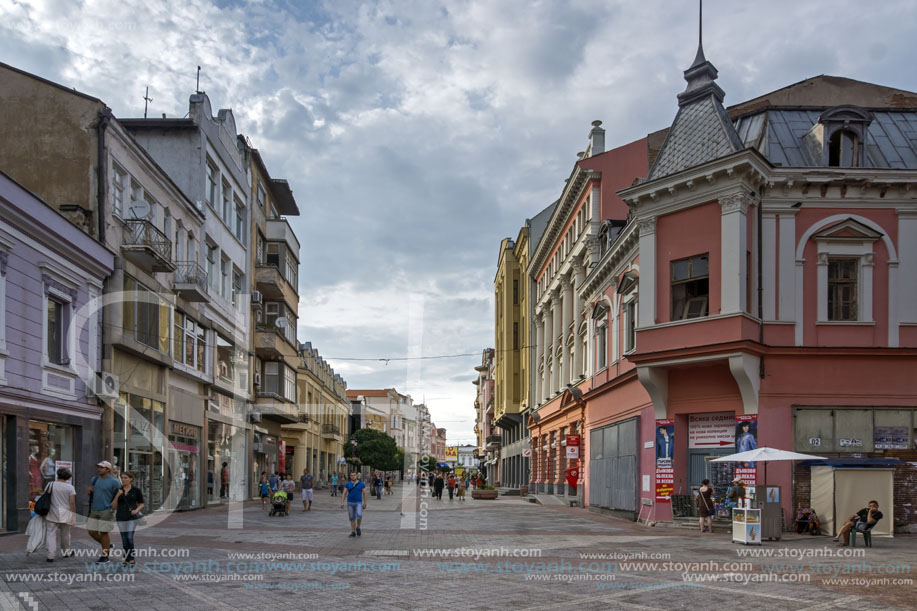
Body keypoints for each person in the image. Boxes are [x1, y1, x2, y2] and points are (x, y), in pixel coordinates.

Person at [86, 461, 121, 563]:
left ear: (108, 469)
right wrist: (89, 491)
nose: (99, 469)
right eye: (98, 467)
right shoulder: (95, 479)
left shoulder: (114, 482)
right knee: (91, 531)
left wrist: (114, 505)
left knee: (104, 532)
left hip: (106, 510)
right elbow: (92, 491)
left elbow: (119, 494)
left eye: (101, 467)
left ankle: (105, 556)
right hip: (94, 508)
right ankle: (107, 544)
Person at [44, 467, 76, 563]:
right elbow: (72, 503)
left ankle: (51, 555)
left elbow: (46, 496)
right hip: (65, 513)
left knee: (50, 533)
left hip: (52, 512)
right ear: (68, 477)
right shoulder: (70, 487)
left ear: (58, 474)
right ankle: (66, 552)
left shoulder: (50, 484)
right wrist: (73, 515)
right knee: (65, 534)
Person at [112, 471, 144, 567]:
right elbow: (113, 506)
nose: (123, 479)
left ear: (131, 479)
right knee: (124, 539)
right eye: (122, 477)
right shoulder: (118, 490)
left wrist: (136, 510)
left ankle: (131, 557)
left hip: (131, 517)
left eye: (125, 478)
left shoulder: (136, 491)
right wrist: (118, 495)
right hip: (121, 517)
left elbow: (141, 503)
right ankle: (126, 557)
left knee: (129, 537)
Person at [342, 471, 367, 537]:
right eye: (351, 475)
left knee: (359, 515)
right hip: (350, 502)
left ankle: (358, 527)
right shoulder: (348, 484)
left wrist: (365, 503)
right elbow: (344, 493)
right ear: (350, 476)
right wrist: (342, 502)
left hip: (358, 502)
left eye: (354, 475)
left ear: (356, 476)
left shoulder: (361, 484)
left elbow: (364, 493)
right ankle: (353, 532)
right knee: (352, 517)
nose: (353, 476)